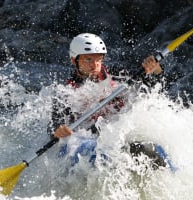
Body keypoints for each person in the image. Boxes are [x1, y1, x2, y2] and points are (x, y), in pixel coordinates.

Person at [48, 33, 167, 168]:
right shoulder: (66, 92)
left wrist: (155, 70)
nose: (94, 65)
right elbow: (53, 126)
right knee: (95, 152)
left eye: (98, 59)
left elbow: (155, 89)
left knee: (151, 150)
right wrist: (58, 132)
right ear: (73, 60)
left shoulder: (118, 76)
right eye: (88, 59)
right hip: (86, 142)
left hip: (117, 134)